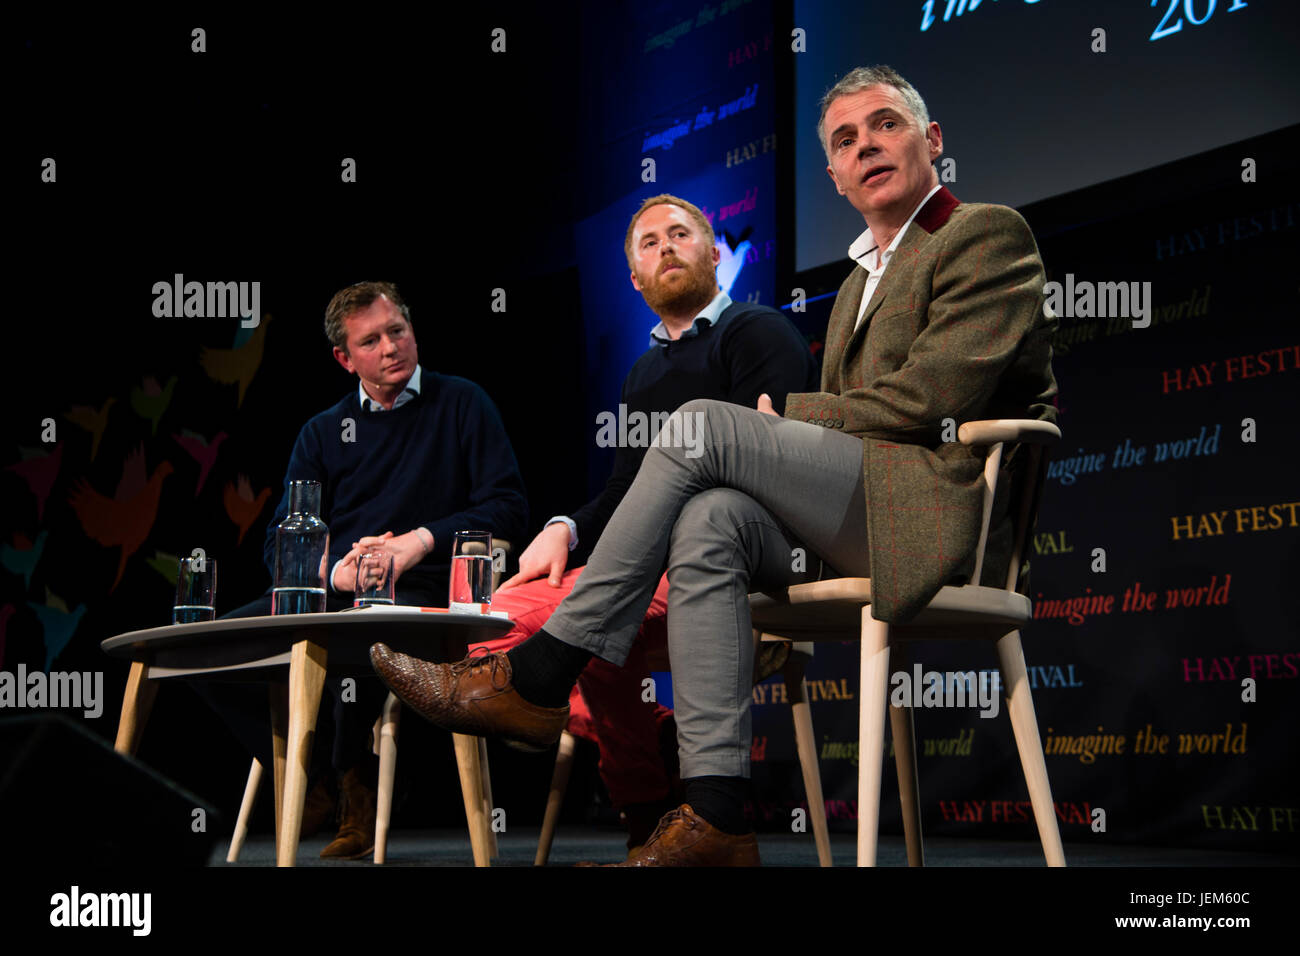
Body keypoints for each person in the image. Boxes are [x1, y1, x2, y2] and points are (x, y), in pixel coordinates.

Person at [371, 65, 1058, 865]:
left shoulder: (985, 233)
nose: (866, 145)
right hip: (856, 510)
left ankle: (539, 673)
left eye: (885, 125)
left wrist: (791, 415)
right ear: (833, 178)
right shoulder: (856, 286)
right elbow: (652, 483)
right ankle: (716, 815)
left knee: (701, 428)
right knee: (708, 519)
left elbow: (936, 396)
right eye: (845, 139)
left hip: (933, 515)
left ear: (931, 139)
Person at [460, 193, 817, 851]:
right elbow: (626, 494)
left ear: (715, 253)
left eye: (680, 234)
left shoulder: (758, 331)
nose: (666, 248)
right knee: (495, 615)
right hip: (643, 568)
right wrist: (565, 527)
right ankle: (651, 774)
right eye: (649, 243)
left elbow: (765, 477)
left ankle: (643, 799)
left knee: (585, 621)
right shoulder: (643, 372)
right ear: (634, 278)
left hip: (737, 561)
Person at [198, 280, 528, 859]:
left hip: (428, 585)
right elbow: (279, 543)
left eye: (397, 331)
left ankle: (353, 785)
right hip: (342, 592)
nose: (390, 347)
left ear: (412, 329)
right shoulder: (323, 432)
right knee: (209, 652)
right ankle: (320, 781)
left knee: (361, 633)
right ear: (344, 359)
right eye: (370, 341)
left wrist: (418, 542)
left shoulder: (462, 403)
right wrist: (335, 574)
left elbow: (507, 505)